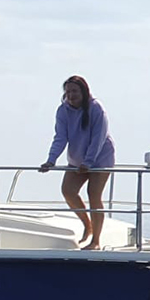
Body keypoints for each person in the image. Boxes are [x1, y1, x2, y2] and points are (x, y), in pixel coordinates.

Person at [39, 75, 116, 250]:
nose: (71, 95)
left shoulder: (97, 109)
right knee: (68, 191)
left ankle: (95, 241)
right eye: (68, 92)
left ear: (83, 91)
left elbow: (99, 138)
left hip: (100, 158)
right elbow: (60, 137)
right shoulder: (63, 110)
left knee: (93, 195)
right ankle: (87, 225)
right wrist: (51, 160)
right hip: (77, 159)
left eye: (74, 91)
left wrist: (88, 162)